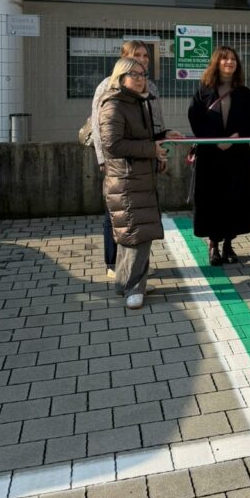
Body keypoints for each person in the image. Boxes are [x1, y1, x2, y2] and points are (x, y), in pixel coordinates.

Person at [91, 40, 180, 278]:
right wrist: (102, 160)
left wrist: (162, 145)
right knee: (117, 213)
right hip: (118, 164)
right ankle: (114, 264)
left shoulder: (150, 87)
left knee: (140, 215)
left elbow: (155, 121)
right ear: (124, 58)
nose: (142, 59)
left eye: (145, 56)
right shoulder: (107, 86)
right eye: (136, 55)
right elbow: (101, 132)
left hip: (145, 158)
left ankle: (136, 268)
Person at [98, 58, 168, 310]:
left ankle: (125, 283)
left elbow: (140, 136)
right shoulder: (114, 104)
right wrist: (151, 149)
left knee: (133, 233)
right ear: (120, 77)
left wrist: (162, 138)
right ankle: (134, 288)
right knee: (136, 235)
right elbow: (112, 145)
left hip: (138, 177)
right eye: (134, 75)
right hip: (126, 179)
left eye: (143, 74)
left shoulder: (137, 102)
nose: (140, 79)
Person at [188, 46, 250, 266]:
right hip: (211, 154)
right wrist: (214, 139)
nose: (230, 63)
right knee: (212, 199)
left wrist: (238, 135)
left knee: (234, 198)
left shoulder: (244, 92)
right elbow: (195, 118)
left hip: (237, 155)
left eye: (233, 60)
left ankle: (229, 244)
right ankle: (214, 245)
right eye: (225, 59)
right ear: (216, 63)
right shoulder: (204, 90)